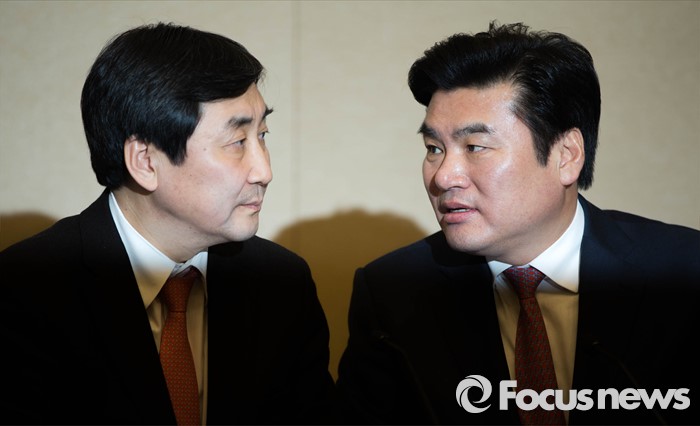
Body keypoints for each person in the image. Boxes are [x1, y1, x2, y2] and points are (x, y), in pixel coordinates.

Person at [335, 21, 699, 425]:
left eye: (475, 147)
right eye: (434, 148)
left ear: (566, 156)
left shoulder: (683, 273)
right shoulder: (393, 294)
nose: (443, 176)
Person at [0, 23, 334, 425]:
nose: (264, 171)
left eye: (262, 135)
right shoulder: (26, 290)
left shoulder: (281, 283)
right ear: (145, 161)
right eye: (237, 142)